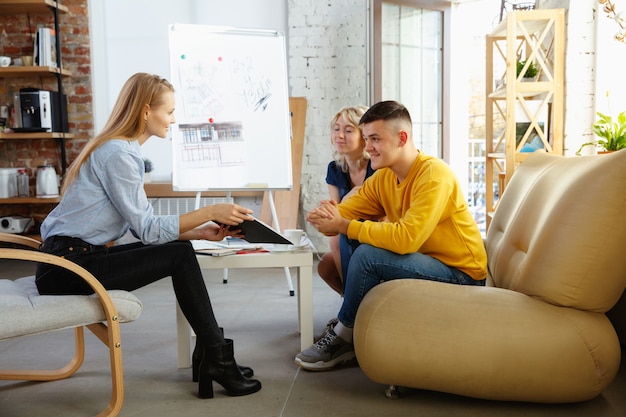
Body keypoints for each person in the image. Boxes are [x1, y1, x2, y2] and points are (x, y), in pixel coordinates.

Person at [35, 72, 262, 398]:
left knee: (179, 251)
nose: (173, 119)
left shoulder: (118, 150)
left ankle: (213, 354)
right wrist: (210, 210)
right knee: (178, 255)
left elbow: (136, 228)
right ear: (145, 111)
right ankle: (216, 356)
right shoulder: (120, 155)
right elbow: (147, 229)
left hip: (73, 258)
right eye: (169, 112)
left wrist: (197, 231)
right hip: (66, 266)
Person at [296, 100, 487, 371]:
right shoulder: (383, 178)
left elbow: (407, 238)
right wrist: (323, 216)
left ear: (402, 138)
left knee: (368, 254)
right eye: (365, 139)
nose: (367, 146)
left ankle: (344, 335)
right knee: (354, 241)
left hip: (461, 274)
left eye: (375, 139)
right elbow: (340, 215)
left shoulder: (433, 175)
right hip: (423, 262)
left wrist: (342, 224)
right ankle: (354, 326)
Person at [316, 105, 374, 296]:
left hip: (374, 228)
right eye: (336, 129)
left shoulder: (376, 166)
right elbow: (335, 210)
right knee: (326, 261)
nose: (339, 135)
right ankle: (350, 299)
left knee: (339, 236)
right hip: (345, 228)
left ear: (363, 135)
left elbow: (382, 212)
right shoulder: (334, 169)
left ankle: (354, 305)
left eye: (348, 130)